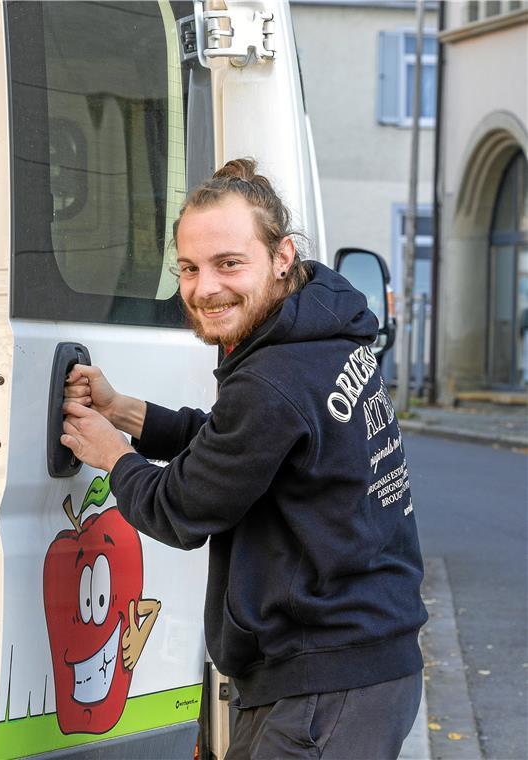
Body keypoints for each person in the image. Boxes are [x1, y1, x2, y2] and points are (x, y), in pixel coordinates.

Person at [60, 159, 427, 759]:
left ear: (281, 257)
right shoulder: (319, 332)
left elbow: (181, 508)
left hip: (328, 679)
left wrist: (112, 456)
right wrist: (125, 411)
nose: (205, 288)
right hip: (351, 663)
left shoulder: (274, 376)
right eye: (188, 268)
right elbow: (240, 448)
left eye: (229, 263)